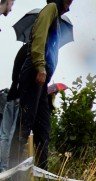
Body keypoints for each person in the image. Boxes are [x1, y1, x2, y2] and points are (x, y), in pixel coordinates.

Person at [11, 0, 74, 171]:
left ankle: (41, 174)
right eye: (68, 1)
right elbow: (38, 36)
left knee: (43, 128)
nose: (69, 7)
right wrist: (40, 66)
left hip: (41, 78)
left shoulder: (56, 19)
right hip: (34, 71)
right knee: (25, 123)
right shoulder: (50, 8)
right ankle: (12, 175)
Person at [0, 45, 26, 171]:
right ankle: (7, 168)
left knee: (4, 134)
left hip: (10, 95)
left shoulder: (21, 50)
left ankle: (2, 168)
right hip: (20, 97)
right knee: (12, 134)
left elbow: (14, 76)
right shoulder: (35, 53)